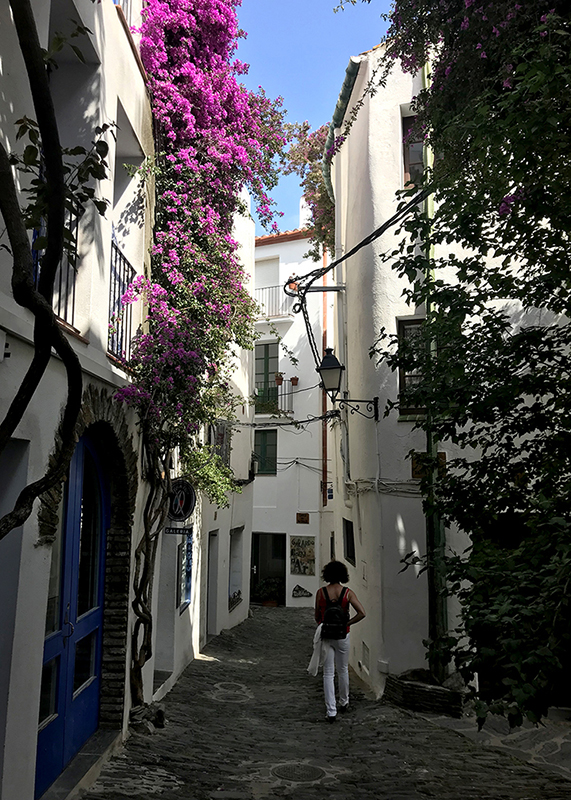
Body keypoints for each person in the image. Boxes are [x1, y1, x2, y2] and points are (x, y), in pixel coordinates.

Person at [314, 560, 366, 722]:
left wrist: (325, 624)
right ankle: (344, 701)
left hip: (327, 634)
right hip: (343, 635)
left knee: (328, 673)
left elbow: (317, 615)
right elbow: (362, 613)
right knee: (342, 669)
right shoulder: (347, 593)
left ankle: (331, 711)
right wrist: (347, 623)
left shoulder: (321, 593)